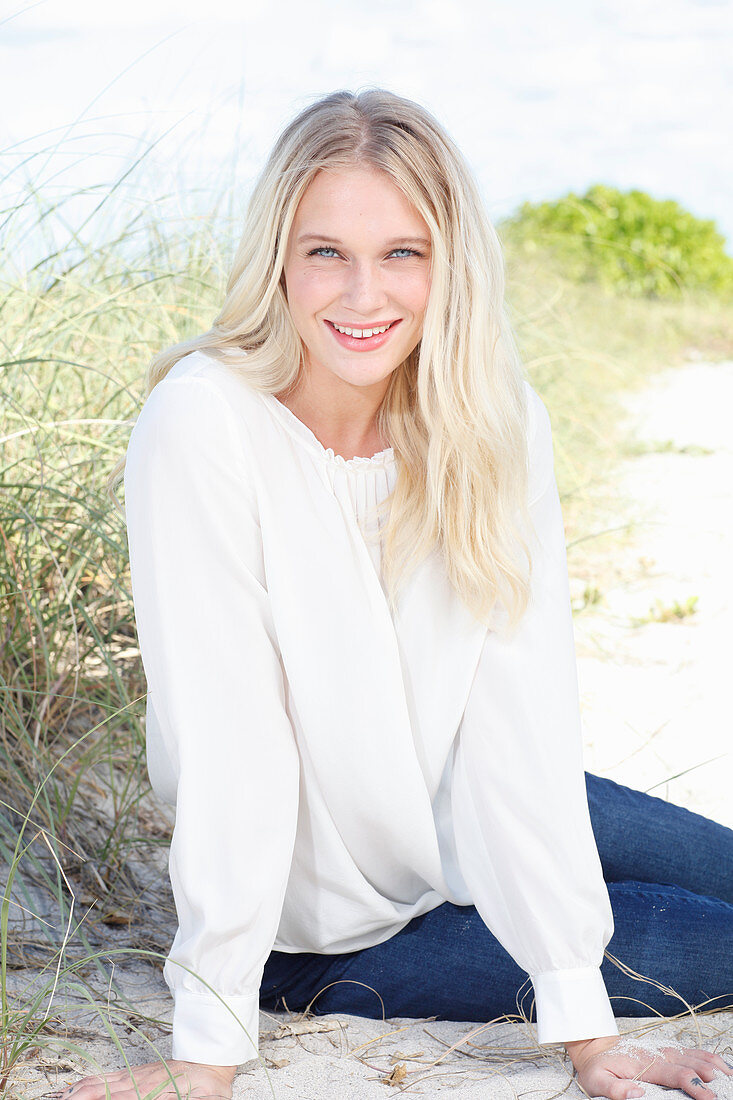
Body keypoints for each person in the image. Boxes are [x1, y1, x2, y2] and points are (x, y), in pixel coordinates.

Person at [56, 88, 733, 1100]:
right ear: (277, 259)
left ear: (448, 262)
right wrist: (206, 1047)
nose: (362, 293)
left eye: (402, 253)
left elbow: (518, 721)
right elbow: (232, 745)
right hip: (332, 930)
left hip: (473, 819)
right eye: (325, 250)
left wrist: (588, 1033)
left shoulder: (492, 420)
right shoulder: (203, 425)